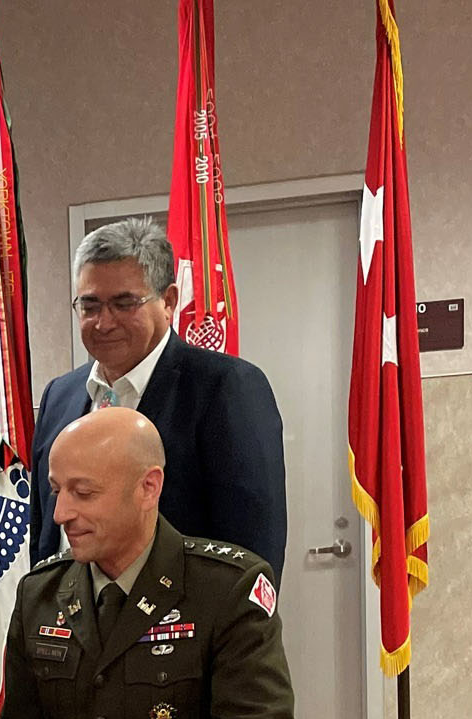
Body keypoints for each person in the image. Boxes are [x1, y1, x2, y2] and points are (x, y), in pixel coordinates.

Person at [0, 408, 294, 719]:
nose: (60, 514)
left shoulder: (227, 586)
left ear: (148, 488)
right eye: (56, 490)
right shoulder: (40, 592)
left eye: (83, 493)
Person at [28, 218, 287, 580]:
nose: (103, 323)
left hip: (179, 629)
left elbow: (253, 552)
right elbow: (45, 536)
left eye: (123, 304)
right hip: (69, 627)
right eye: (89, 306)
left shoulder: (226, 388)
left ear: (168, 301)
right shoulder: (59, 396)